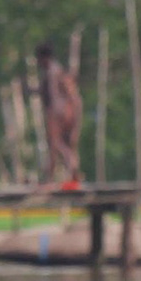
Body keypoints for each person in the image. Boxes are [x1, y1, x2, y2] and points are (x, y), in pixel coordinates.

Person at [37, 44, 83, 185]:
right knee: (64, 144)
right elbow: (74, 97)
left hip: (56, 112)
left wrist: (56, 112)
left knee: (55, 144)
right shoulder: (60, 72)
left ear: (44, 58)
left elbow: (55, 95)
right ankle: (71, 171)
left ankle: (54, 176)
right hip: (66, 112)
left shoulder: (52, 71)